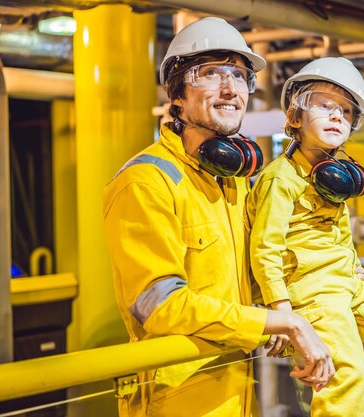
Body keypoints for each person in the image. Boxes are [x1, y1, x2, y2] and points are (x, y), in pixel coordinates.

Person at [103, 17, 334, 417]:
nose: (231, 89)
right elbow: (160, 306)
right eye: (211, 74)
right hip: (176, 398)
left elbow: (256, 271)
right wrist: (283, 325)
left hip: (238, 385)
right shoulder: (146, 181)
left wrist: (344, 287)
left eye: (240, 76)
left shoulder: (233, 182)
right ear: (177, 94)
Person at [247, 57, 364, 417]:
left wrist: (362, 279)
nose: (336, 117)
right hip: (312, 291)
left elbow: (342, 239)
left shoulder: (331, 178)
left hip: (345, 284)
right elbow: (265, 249)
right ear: (295, 118)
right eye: (325, 106)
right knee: (346, 375)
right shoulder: (280, 179)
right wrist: (282, 312)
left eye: (346, 112)